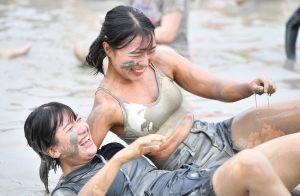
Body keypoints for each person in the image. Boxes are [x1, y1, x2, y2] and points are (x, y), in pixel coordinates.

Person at [85, 5, 300, 175]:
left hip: (218, 134)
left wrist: (250, 86)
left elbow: (215, 87)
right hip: (192, 174)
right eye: (135, 55)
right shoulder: (106, 106)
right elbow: (78, 167)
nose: (144, 62)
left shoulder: (162, 60)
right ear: (108, 49)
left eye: (149, 51)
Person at [24, 102, 300, 195]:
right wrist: (120, 161)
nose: (82, 127)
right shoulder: (66, 190)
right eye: (68, 128)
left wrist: (183, 129)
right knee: (249, 162)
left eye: (77, 119)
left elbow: (164, 154)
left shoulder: (106, 151)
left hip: (201, 179)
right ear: (53, 150)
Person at [73, 0, 189, 64]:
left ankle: (114, 65)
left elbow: (167, 34)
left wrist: (130, 33)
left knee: (163, 55)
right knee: (80, 48)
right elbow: (126, 16)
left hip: (165, 48)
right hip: (131, 44)